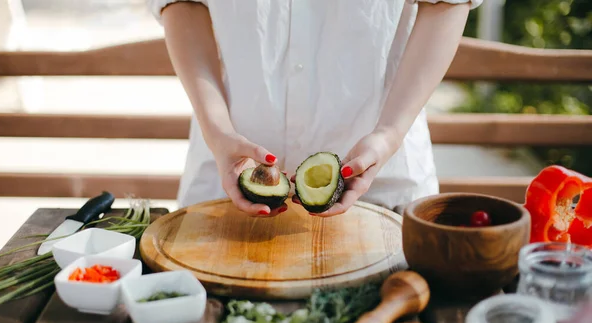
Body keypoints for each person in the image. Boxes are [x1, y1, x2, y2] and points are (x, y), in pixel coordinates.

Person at [147, 0, 482, 217]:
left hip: (383, 189)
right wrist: (218, 130)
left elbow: (448, 3)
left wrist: (389, 134)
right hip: (222, 186)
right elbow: (182, 3)